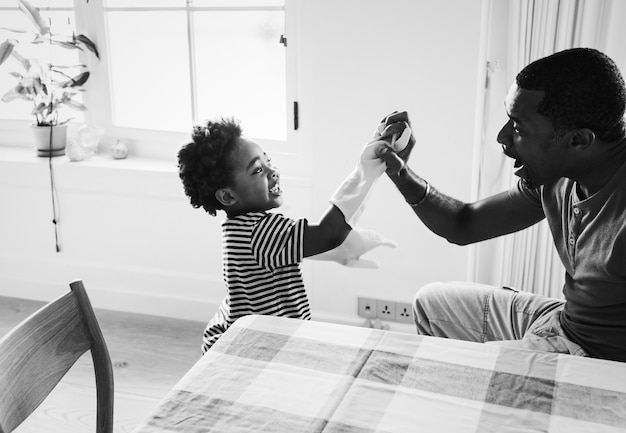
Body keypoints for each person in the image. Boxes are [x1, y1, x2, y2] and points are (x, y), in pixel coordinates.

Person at [374, 48, 626, 363]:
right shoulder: (557, 178)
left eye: (518, 128)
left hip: (597, 355)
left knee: (453, 366)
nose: (502, 137)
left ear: (578, 140)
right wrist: (400, 172)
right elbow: (463, 224)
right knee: (431, 302)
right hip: (564, 320)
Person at [178, 116, 410, 352]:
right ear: (228, 196)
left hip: (234, 332)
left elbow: (281, 252)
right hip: (255, 347)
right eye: (258, 170)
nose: (273, 171)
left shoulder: (239, 226)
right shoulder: (261, 231)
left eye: (268, 161)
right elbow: (328, 232)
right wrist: (366, 170)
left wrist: (337, 252)